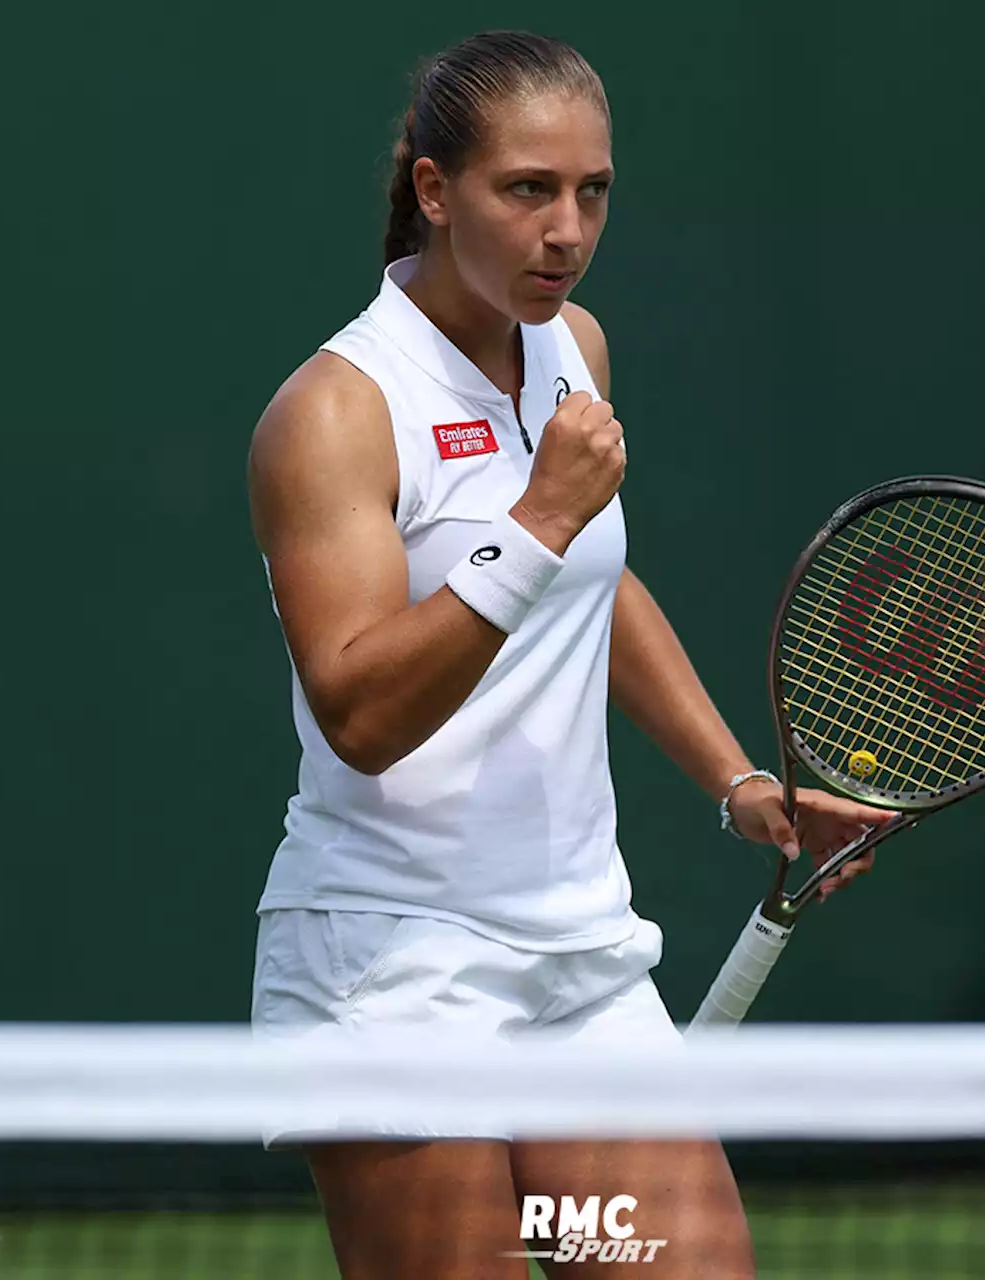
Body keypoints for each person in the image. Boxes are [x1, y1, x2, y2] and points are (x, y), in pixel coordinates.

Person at [247, 31, 891, 1279]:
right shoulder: (334, 411)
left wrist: (736, 781)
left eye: (590, 191)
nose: (565, 230)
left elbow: (591, 590)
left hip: (581, 976)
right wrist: (536, 517)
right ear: (434, 191)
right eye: (526, 190)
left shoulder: (571, 349)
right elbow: (361, 713)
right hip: (396, 978)